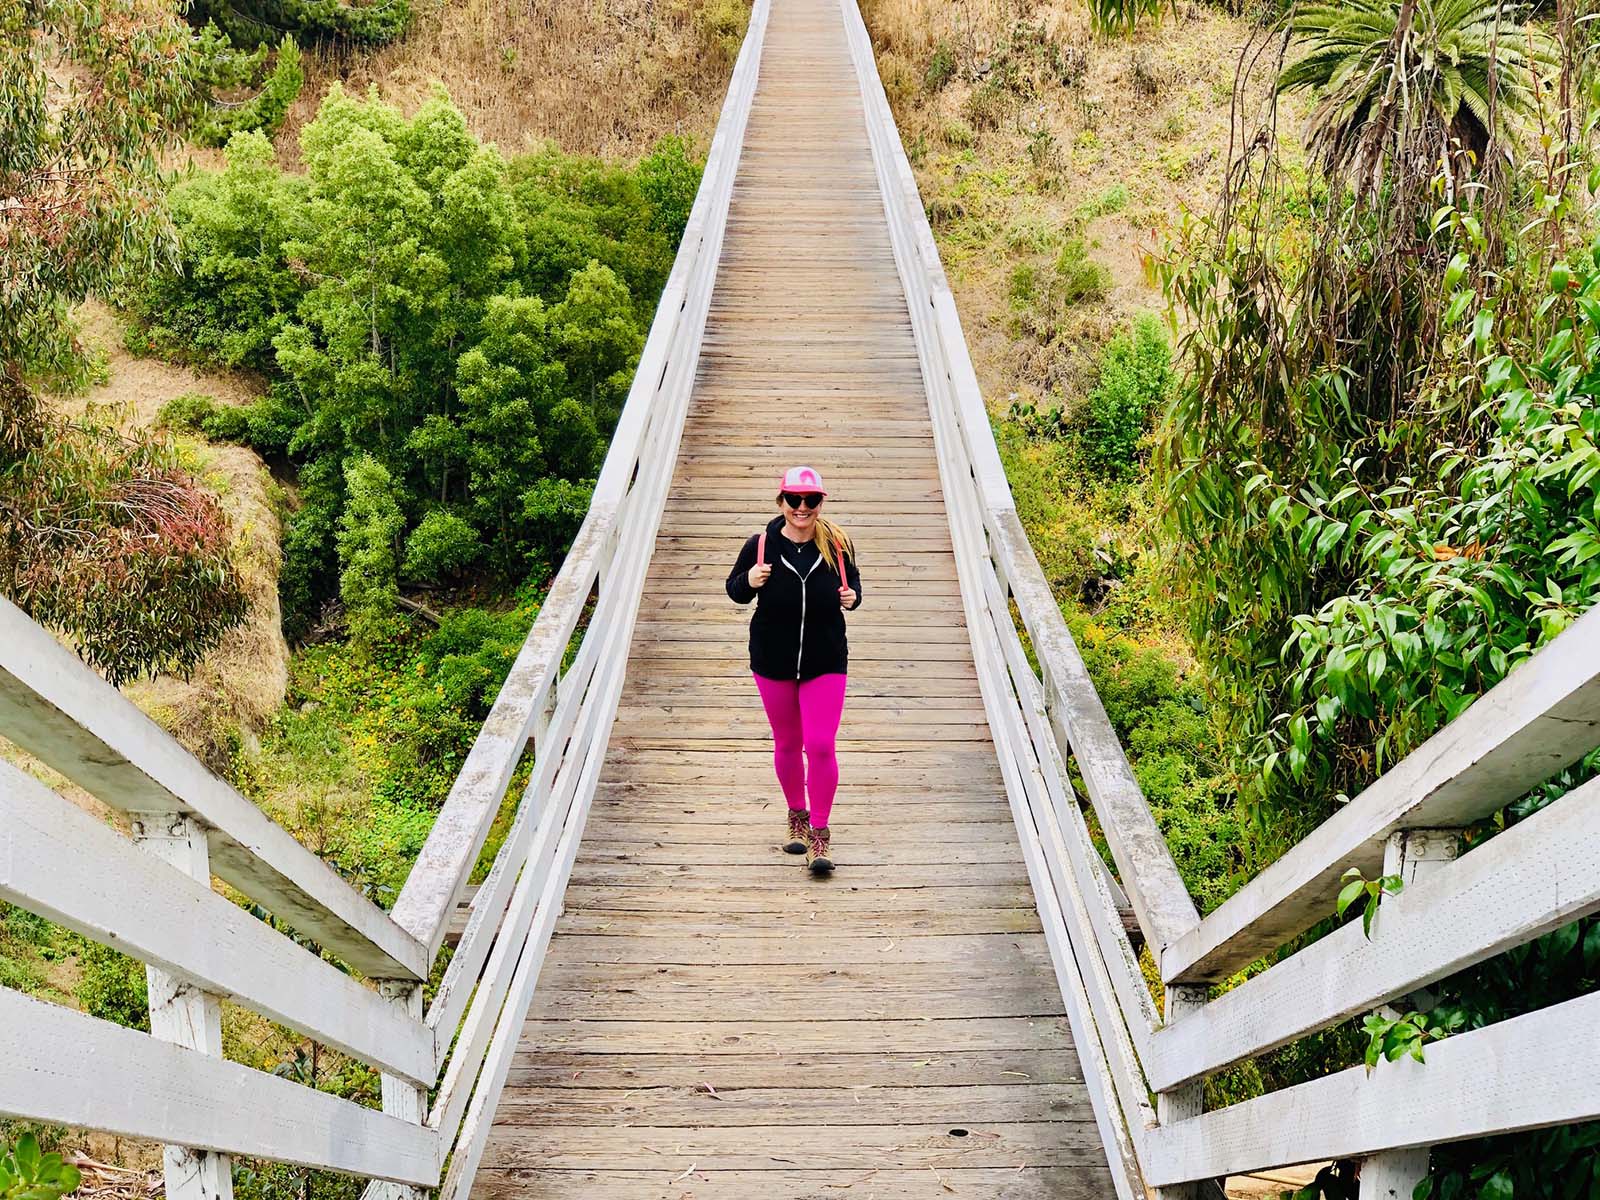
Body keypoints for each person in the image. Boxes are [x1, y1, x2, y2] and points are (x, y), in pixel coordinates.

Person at [725, 466, 862, 875]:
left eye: (811, 500)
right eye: (794, 499)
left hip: (825, 660)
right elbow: (734, 591)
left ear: (821, 502)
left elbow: (854, 590)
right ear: (781, 501)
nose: (802, 508)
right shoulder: (761, 546)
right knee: (787, 742)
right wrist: (749, 579)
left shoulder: (837, 545)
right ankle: (797, 817)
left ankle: (820, 833)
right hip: (773, 659)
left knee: (820, 744)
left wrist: (852, 598)